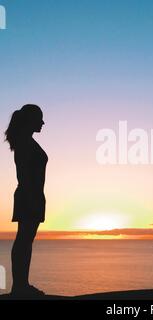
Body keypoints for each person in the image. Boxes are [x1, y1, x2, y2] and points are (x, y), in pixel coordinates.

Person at [5, 104, 48, 297]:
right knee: (23, 240)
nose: (43, 122)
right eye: (39, 118)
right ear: (30, 120)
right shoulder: (24, 142)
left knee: (26, 240)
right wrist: (31, 198)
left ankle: (22, 285)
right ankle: (20, 287)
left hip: (33, 195)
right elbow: (24, 173)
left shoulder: (27, 141)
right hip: (28, 195)